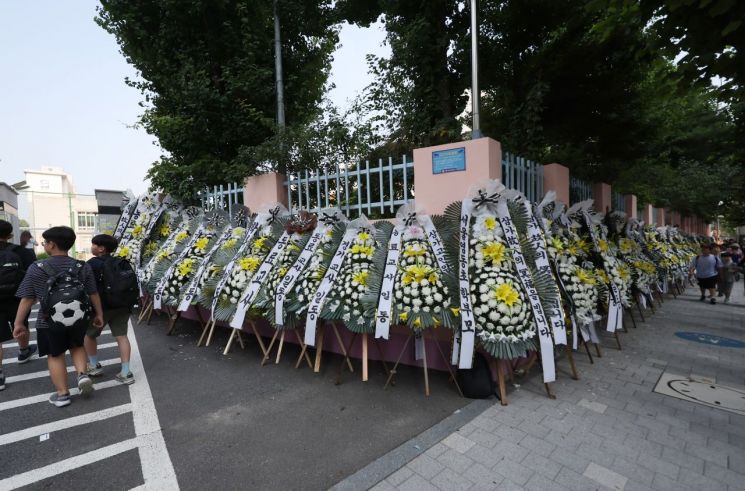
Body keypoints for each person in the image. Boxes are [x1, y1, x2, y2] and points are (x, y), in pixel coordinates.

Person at [13, 226, 104, 407]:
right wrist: (99, 314)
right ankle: (81, 374)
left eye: (46, 242)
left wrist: (19, 322)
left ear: (52, 245)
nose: (45, 245)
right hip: (79, 318)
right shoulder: (81, 266)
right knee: (77, 346)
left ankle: (62, 394)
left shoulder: (36, 268)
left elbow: (27, 298)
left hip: (48, 321)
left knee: (55, 355)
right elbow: (93, 293)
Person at [84, 234, 135, 384]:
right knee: (122, 336)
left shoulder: (91, 264)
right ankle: (126, 372)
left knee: (90, 335)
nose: (91, 247)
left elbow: (89, 288)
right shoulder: (121, 262)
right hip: (122, 305)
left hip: (101, 307)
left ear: (101, 248)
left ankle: (93, 366)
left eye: (94, 244)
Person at [0, 220, 38, 391]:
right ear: (10, 235)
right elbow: (33, 274)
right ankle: (24, 350)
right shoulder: (23, 251)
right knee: (21, 323)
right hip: (18, 297)